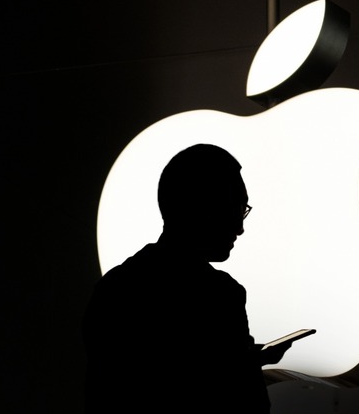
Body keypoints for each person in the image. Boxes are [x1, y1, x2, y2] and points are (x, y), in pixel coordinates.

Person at [82, 143, 293, 413]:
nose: (240, 228)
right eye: (237, 209)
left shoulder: (114, 288)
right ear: (204, 209)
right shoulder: (221, 295)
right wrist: (241, 364)